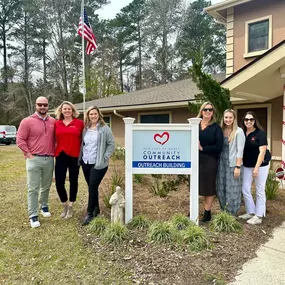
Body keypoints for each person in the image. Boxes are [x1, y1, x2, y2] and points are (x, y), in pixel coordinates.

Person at [17, 96, 55, 228]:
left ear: (48, 106)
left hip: (49, 159)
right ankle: (33, 215)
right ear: (35, 105)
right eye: (40, 105)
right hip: (34, 159)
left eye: (45, 105)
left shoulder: (53, 122)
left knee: (46, 186)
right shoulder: (27, 121)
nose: (43, 107)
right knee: (33, 188)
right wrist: (28, 154)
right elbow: (20, 139)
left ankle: (43, 206)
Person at [79, 106, 115, 226]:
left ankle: (89, 214)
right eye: (90, 114)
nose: (93, 116)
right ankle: (96, 210)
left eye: (95, 114)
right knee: (92, 187)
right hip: (86, 162)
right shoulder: (86, 129)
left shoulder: (105, 128)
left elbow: (111, 144)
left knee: (92, 187)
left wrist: (105, 156)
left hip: (98, 164)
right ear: (88, 116)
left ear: (99, 115)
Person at [239, 111, 270, 225]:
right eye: (246, 119)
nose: (248, 121)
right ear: (244, 121)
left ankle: (259, 215)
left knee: (259, 189)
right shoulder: (242, 133)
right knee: (245, 188)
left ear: (254, 121)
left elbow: (262, 152)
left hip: (261, 166)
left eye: (251, 119)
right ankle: (251, 211)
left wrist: (256, 168)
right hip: (247, 165)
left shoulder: (260, 133)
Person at [54, 101, 84, 218]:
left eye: (69, 109)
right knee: (59, 182)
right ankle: (65, 204)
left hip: (74, 155)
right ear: (61, 111)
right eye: (64, 109)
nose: (67, 111)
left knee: (73, 180)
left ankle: (71, 206)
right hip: (61, 154)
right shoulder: (57, 123)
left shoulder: (79, 123)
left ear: (73, 110)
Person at [197, 102, 223, 222]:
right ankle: (193, 210)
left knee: (208, 187)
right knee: (195, 185)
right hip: (195, 159)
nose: (208, 112)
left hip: (210, 160)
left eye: (210, 110)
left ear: (213, 112)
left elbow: (219, 146)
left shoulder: (216, 128)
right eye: (205, 109)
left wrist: (203, 148)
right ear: (201, 111)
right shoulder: (194, 124)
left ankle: (207, 213)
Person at [216, 109, 245, 216]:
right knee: (221, 187)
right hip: (221, 164)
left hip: (233, 164)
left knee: (232, 189)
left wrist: (237, 167)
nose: (228, 120)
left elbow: (240, 151)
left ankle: (232, 214)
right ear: (223, 118)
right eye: (226, 117)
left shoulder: (238, 131)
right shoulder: (220, 130)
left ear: (234, 119)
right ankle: (224, 212)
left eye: (230, 117)